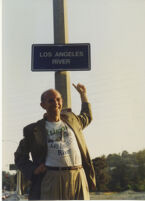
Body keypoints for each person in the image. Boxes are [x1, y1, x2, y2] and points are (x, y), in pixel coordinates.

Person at [14, 83, 96, 200]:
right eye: (51, 101)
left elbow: (87, 116)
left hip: (78, 175)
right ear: (43, 105)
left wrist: (83, 95)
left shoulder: (72, 120)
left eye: (58, 99)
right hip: (52, 178)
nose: (56, 103)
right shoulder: (33, 130)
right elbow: (19, 156)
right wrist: (33, 170)